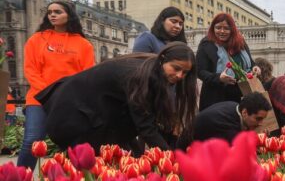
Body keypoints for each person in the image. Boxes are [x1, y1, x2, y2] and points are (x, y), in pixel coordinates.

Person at [38, 42, 196, 153]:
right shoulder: (140, 76)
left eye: (185, 72)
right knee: (89, 168)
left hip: (97, 113)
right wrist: (172, 159)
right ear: (163, 59)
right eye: (176, 68)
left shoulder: (152, 70)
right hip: (74, 113)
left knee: (127, 157)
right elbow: (146, 127)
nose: (180, 76)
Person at [18, 1, 95, 169]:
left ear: (69, 15)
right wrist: (49, 93)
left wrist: (68, 96)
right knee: (31, 141)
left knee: (74, 144)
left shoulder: (84, 45)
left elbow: (87, 76)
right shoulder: (36, 40)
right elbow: (30, 70)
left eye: (58, 12)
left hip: (69, 102)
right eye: (50, 12)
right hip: (38, 99)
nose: (52, 15)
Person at [196, 13, 253, 111]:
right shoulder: (206, 44)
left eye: (226, 28)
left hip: (240, 95)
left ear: (232, 29)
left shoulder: (241, 43)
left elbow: (251, 63)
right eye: (218, 28)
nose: (222, 31)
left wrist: (255, 68)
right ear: (213, 28)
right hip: (216, 97)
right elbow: (200, 71)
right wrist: (219, 78)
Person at [182, 92, 271, 148]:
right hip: (185, 154)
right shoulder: (226, 125)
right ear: (244, 112)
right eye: (258, 119)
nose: (260, 123)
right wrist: (257, 139)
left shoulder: (235, 106)